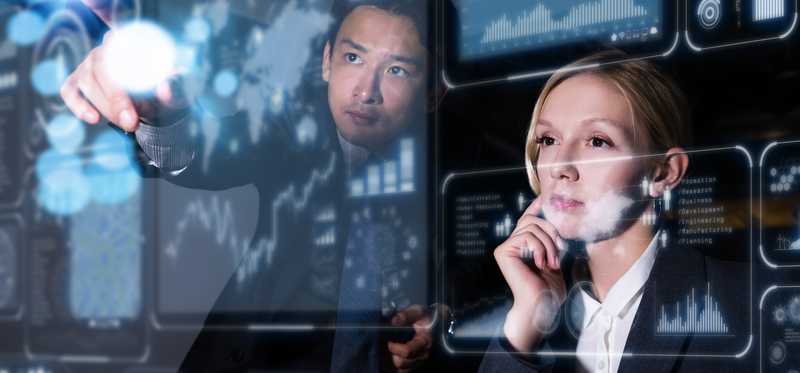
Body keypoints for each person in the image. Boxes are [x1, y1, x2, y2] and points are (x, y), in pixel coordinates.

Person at [59, 0, 436, 371]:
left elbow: (469, 288)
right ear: (326, 62)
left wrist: (439, 323)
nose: (366, 91)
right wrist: (157, 113)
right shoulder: (291, 132)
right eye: (353, 59)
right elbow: (200, 156)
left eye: (397, 70)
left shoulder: (454, 178)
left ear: (434, 93)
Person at [478, 51, 750, 372]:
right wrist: (527, 322)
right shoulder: (533, 321)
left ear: (663, 173)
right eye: (548, 139)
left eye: (597, 141)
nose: (560, 166)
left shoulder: (751, 302)